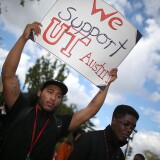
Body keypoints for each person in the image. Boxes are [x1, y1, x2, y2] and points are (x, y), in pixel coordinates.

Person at [0, 21, 118, 160]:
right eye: (49, 92)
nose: (53, 98)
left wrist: (107, 83)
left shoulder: (59, 124)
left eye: (58, 95)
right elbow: (8, 75)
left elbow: (90, 110)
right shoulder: (21, 108)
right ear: (39, 93)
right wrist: (23, 38)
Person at [68, 105, 139, 160]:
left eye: (132, 127)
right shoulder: (89, 140)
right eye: (126, 124)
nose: (130, 130)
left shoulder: (120, 155)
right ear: (114, 121)